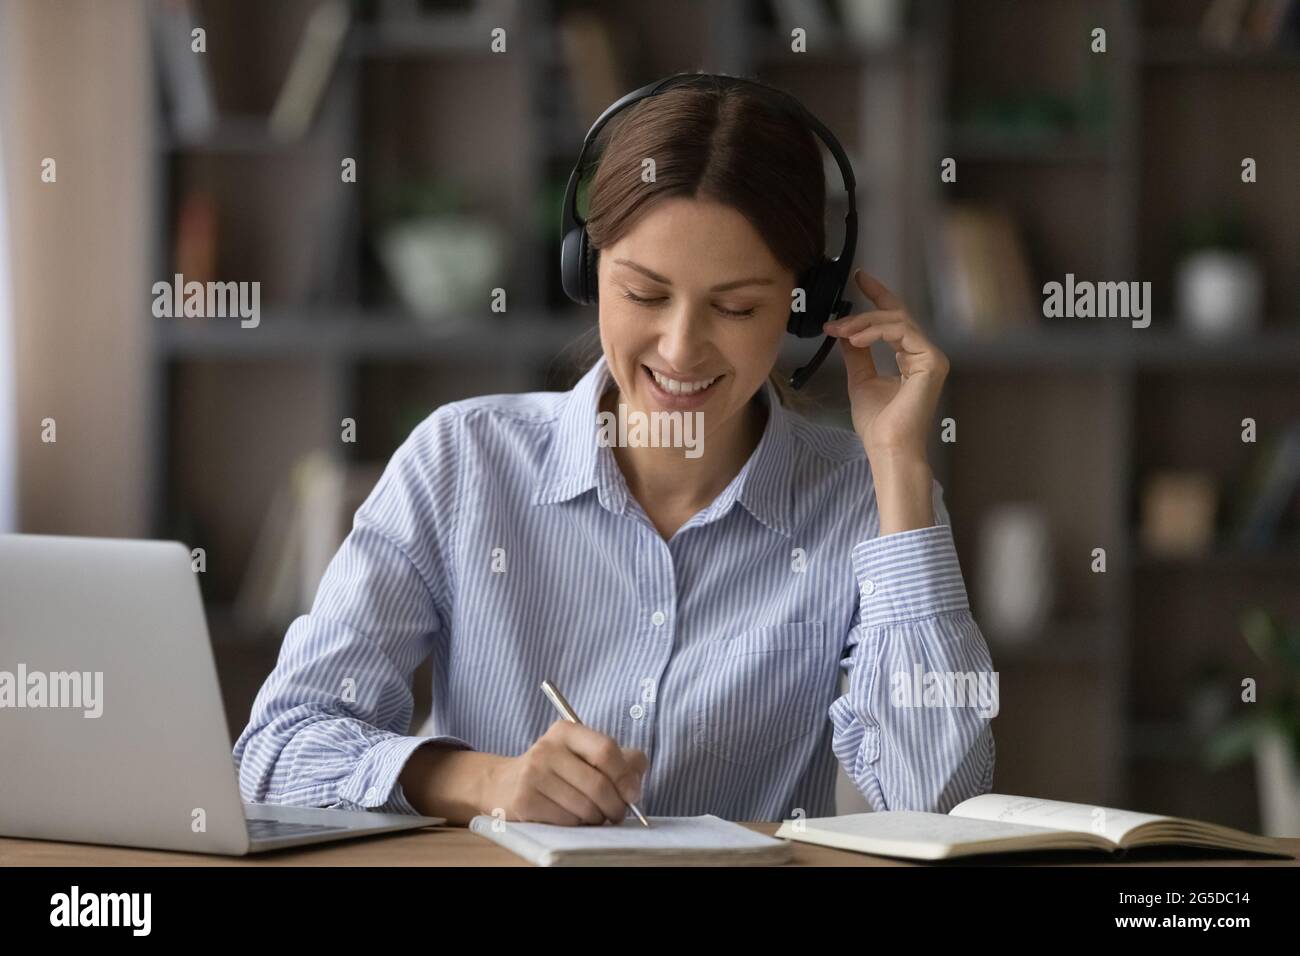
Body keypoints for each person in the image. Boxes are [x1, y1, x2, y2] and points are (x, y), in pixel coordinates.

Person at [233, 77, 995, 827]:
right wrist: (479, 781)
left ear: (806, 307)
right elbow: (276, 749)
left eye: (736, 307)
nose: (681, 348)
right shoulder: (461, 462)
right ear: (586, 270)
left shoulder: (868, 503)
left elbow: (937, 802)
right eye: (644, 294)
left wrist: (897, 466)